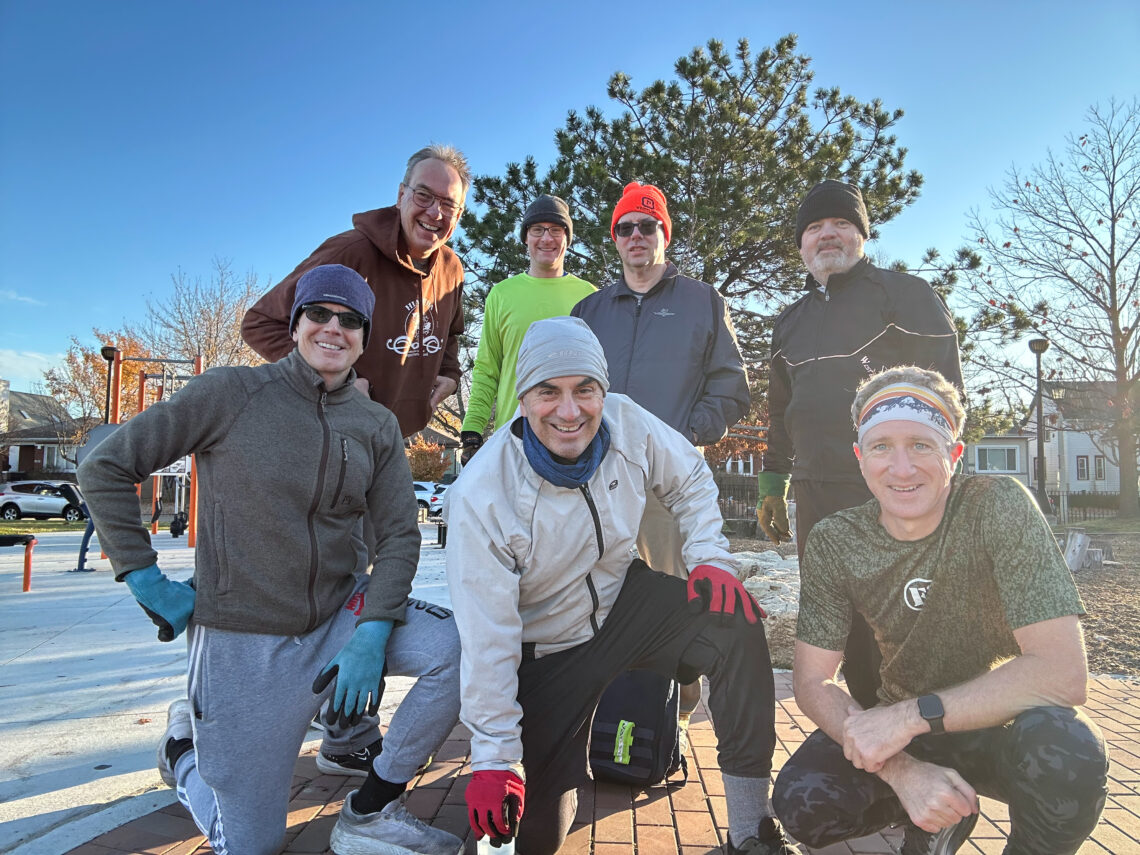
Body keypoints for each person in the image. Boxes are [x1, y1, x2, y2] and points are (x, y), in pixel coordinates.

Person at [78, 264, 463, 855]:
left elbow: (398, 537)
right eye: (319, 314)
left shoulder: (375, 423)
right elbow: (103, 467)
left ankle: (371, 810)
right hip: (243, 640)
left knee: (460, 650)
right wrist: (144, 578)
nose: (333, 329)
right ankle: (184, 754)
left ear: (364, 336)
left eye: (351, 320)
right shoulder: (228, 394)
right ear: (296, 322)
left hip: (338, 619)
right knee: (254, 844)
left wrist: (372, 631)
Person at [445, 316, 790, 855]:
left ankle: (753, 832)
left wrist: (709, 558)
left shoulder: (627, 421)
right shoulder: (480, 495)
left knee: (736, 619)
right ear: (522, 396)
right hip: (546, 650)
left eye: (586, 390)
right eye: (548, 392)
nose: (569, 410)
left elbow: (692, 479)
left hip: (622, 603)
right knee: (538, 833)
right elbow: (487, 637)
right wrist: (493, 758)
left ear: (604, 390)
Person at [771, 366, 1108, 855]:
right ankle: (934, 820)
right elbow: (811, 681)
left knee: (1070, 753)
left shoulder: (998, 507)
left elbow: (1062, 675)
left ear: (954, 455)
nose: (902, 468)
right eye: (882, 446)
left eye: (922, 445)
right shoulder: (836, 540)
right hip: (909, 735)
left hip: (1001, 726)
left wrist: (907, 718)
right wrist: (903, 772)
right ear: (860, 458)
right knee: (802, 801)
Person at [757, 179, 963, 708]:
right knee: (840, 620)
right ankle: (872, 727)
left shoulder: (906, 296)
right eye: (814, 227)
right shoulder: (791, 323)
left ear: (863, 235)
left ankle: (925, 735)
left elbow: (947, 395)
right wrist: (773, 482)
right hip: (817, 495)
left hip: (891, 489)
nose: (828, 234)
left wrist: (932, 477)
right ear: (801, 245)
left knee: (902, 618)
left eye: (841, 223)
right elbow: (781, 411)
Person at [571, 181, 750, 724]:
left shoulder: (703, 302)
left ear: (663, 234)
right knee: (595, 598)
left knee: (672, 598)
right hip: (595, 482)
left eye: (647, 226)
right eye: (625, 227)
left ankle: (671, 715)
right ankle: (604, 708)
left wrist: (688, 433)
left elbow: (732, 386)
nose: (636, 237)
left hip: (666, 490)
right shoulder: (589, 310)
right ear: (615, 239)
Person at [241, 144, 470, 438]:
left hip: (398, 438)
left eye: (448, 204)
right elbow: (260, 324)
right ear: (401, 196)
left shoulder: (452, 269)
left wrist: (450, 374)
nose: (435, 212)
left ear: (459, 214)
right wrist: (338, 381)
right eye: (424, 195)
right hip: (333, 434)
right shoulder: (349, 253)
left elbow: (450, 333)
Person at [459, 194, 595, 464]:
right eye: (537, 230)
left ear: (567, 238)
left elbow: (599, 378)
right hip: (515, 437)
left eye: (556, 230)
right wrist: (472, 428)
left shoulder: (590, 296)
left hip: (574, 438)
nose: (547, 238)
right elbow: (488, 368)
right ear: (525, 238)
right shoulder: (502, 294)